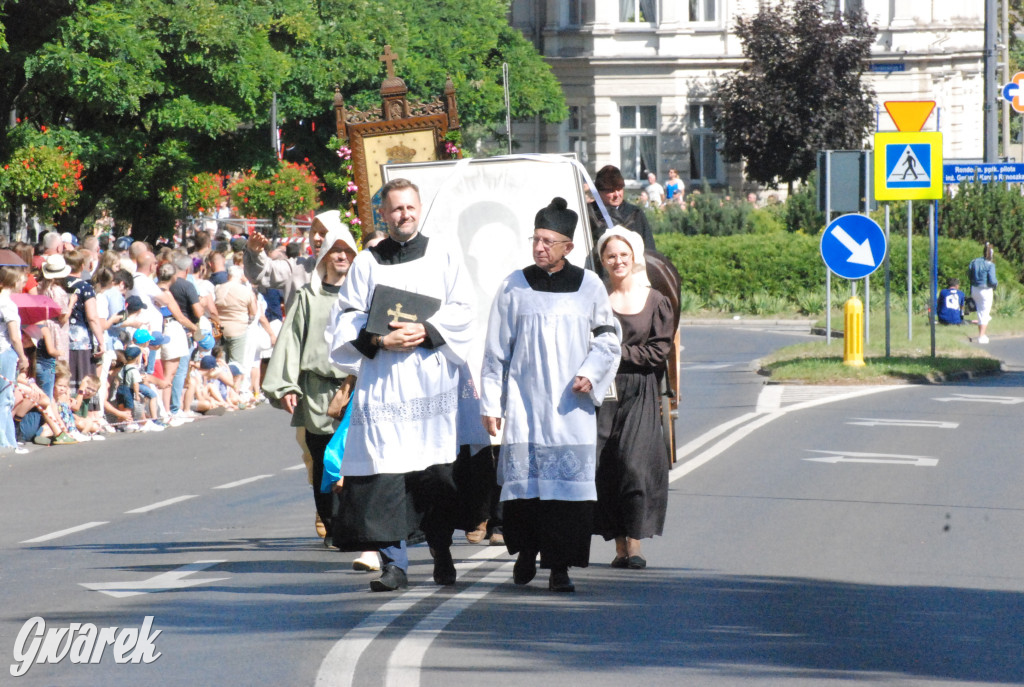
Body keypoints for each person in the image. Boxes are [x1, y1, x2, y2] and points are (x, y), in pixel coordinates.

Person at [326, 178, 475, 592]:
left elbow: (464, 308)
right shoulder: (367, 264)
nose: (403, 215)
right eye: (395, 209)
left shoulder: (443, 254)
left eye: (409, 208)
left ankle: (442, 551)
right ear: (383, 214)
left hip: (430, 384)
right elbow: (345, 318)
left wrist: (427, 330)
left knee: (435, 477)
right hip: (385, 382)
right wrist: (378, 339)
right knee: (385, 476)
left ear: (419, 207)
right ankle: (395, 564)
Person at [480, 197, 621, 593]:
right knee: (527, 490)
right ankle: (526, 553)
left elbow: (609, 340)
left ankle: (560, 567)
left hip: (570, 407)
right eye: (536, 239)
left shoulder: (589, 286)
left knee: (566, 498)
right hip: (525, 404)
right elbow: (495, 350)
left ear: (568, 247)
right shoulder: (514, 285)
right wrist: (491, 403)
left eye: (548, 241)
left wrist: (591, 375)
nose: (539, 247)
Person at [263, 222, 360, 556]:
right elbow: (291, 341)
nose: (342, 256)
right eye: (337, 251)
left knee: (357, 461)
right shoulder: (309, 296)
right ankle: (332, 525)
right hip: (318, 390)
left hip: (357, 388)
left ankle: (355, 524)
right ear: (325, 256)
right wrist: (286, 384)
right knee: (322, 460)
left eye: (348, 250)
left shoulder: (363, 295)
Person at [593, 227, 673, 569]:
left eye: (623, 255)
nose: (618, 261)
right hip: (604, 391)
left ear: (634, 257)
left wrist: (616, 352)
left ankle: (636, 543)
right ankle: (619, 545)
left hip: (640, 389)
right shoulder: (594, 300)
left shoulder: (655, 300)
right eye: (611, 256)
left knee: (633, 465)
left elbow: (659, 350)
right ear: (603, 261)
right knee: (606, 466)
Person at [586, 165, 656, 269]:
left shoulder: (635, 213)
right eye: (611, 191)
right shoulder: (588, 213)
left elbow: (649, 248)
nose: (617, 194)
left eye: (619, 189)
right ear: (598, 192)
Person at [0, 266, 30, 450]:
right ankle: (5, 441)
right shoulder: (8, 304)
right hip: (5, 351)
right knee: (5, 398)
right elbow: (15, 336)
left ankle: (9, 439)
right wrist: (23, 356)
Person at [968, 242, 998, 344]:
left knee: (981, 312)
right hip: (985, 290)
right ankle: (981, 336)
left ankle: (983, 333)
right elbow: (993, 280)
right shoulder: (990, 265)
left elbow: (969, 274)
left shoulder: (974, 262)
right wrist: (995, 285)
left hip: (974, 288)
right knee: (984, 313)